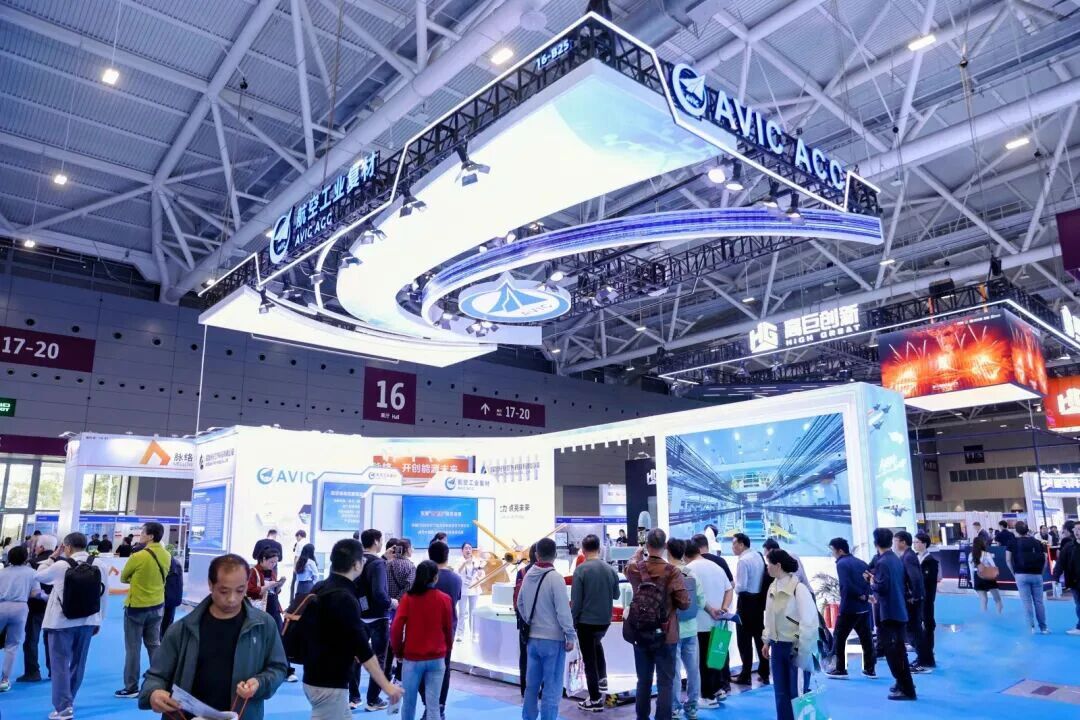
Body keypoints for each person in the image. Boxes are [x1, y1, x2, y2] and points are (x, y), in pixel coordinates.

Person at [139, 553, 287, 719]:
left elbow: (278, 667)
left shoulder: (264, 626)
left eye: (240, 590)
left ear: (247, 585)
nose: (232, 599)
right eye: (224, 591)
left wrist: (260, 683)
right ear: (210, 585)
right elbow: (156, 676)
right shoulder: (181, 630)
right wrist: (154, 693)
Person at [302, 538, 403, 719]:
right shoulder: (345, 598)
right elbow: (362, 649)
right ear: (356, 565)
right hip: (329, 683)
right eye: (362, 560)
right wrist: (387, 686)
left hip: (314, 676)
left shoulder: (320, 587)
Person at [36, 532, 108, 719]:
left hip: (61, 622)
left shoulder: (61, 565)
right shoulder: (99, 564)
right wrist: (99, 620)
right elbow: (103, 594)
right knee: (78, 662)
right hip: (88, 620)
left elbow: (39, 576)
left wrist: (52, 558)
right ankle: (70, 700)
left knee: (59, 664)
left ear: (67, 547)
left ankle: (63, 707)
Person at [625, 529, 690, 720]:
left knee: (643, 681)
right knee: (665, 683)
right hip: (666, 634)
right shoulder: (673, 571)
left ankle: (642, 717)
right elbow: (684, 603)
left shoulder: (635, 568)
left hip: (640, 632)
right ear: (665, 546)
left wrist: (636, 555)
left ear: (647, 545)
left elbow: (627, 568)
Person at [517, 537, 575, 720]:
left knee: (531, 686)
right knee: (552, 687)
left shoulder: (527, 576)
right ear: (555, 555)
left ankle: (528, 717)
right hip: (553, 640)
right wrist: (570, 635)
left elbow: (520, 603)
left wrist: (530, 620)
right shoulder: (555, 578)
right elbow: (563, 611)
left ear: (536, 555)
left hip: (532, 639)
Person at [391, 560, 453, 720]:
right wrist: (447, 649)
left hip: (412, 657)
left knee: (409, 703)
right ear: (435, 578)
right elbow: (448, 629)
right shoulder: (445, 599)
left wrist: (398, 651)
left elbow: (396, 627)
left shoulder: (408, 599)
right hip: (437, 657)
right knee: (433, 705)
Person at [115, 522, 171, 698]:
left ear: (151, 536)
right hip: (158, 605)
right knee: (154, 645)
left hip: (137, 608)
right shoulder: (167, 555)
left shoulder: (138, 556)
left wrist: (136, 579)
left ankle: (131, 687)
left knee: (133, 648)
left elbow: (123, 578)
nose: (140, 535)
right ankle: (162, 681)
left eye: (143, 532)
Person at [761, 549, 818, 720]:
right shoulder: (772, 587)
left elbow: (809, 622)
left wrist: (803, 650)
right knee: (780, 692)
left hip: (796, 648)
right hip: (777, 647)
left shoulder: (799, 589)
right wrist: (767, 640)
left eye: (769, 564)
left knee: (798, 693)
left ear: (778, 565)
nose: (767, 567)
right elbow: (769, 617)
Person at [570, 533, 619, 712]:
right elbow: (616, 595)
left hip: (586, 622)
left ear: (583, 550)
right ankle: (602, 679)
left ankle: (595, 699)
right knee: (596, 645)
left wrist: (572, 622)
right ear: (599, 549)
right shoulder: (610, 570)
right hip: (604, 621)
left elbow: (576, 602)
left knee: (589, 660)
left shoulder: (581, 570)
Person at [869, 528, 915, 701]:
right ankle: (904, 684)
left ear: (876, 543)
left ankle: (906, 687)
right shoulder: (895, 559)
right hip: (898, 610)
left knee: (894, 653)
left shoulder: (882, 562)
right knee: (899, 651)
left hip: (889, 612)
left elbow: (882, 587)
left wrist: (872, 582)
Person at [687, 536, 733, 707]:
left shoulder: (688, 569)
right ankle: (718, 690)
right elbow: (729, 589)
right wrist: (724, 608)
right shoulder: (716, 566)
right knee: (716, 658)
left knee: (703, 662)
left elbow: (692, 597)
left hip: (701, 622)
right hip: (719, 621)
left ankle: (707, 697)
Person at [667, 538, 710, 720]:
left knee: (674, 672)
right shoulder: (691, 574)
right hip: (691, 628)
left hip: (672, 629)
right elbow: (700, 601)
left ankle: (675, 708)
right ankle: (692, 707)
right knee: (693, 670)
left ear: (668, 552)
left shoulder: (667, 573)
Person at [420, 541, 461, 720]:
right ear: (447, 555)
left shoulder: (422, 578)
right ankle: (439, 707)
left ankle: (430, 706)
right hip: (447, 631)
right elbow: (456, 600)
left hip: (424, 630)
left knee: (421, 669)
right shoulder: (456, 579)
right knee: (443, 669)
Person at [352, 529, 392, 711]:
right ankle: (373, 699)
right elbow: (379, 593)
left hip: (360, 614)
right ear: (376, 541)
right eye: (381, 540)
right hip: (378, 617)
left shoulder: (358, 560)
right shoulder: (378, 564)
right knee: (379, 659)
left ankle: (354, 697)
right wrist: (391, 602)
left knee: (356, 656)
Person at [825, 538, 875, 679]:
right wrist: (865, 596)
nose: (832, 553)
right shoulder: (861, 562)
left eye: (832, 550)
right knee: (866, 638)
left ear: (840, 550)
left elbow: (846, 585)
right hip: (863, 607)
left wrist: (860, 595)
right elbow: (868, 581)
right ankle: (870, 669)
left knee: (839, 637)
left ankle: (840, 669)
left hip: (849, 607)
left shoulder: (841, 564)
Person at [730, 533, 768, 685]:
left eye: (734, 543)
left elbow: (741, 587)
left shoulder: (743, 561)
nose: (732, 547)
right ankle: (765, 672)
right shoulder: (758, 555)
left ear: (741, 544)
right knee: (759, 638)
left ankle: (745, 675)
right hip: (758, 602)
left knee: (744, 640)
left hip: (746, 602)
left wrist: (733, 586)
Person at [0, 546, 40, 692]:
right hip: (20, 607)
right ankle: (4, 680)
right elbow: (36, 593)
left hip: (1, 605)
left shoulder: (2, 572)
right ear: (25, 557)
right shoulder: (31, 572)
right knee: (12, 645)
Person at [19, 534, 56, 684]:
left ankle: (32, 672)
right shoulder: (63, 562)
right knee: (52, 641)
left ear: (41, 547)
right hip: (54, 607)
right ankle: (54, 670)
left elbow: (27, 585)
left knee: (31, 640)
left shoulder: (32, 563)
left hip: (35, 607)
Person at [892, 531, 927, 674]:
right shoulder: (907, 556)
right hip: (912, 599)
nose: (894, 544)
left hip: (913, 600)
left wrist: (915, 596)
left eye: (896, 541)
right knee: (913, 629)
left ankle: (921, 661)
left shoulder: (908, 557)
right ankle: (922, 658)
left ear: (903, 542)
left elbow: (915, 578)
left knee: (914, 629)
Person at [1006, 520, 1049, 634]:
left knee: (1026, 602)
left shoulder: (1012, 542)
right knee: (1039, 602)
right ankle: (1043, 627)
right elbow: (1045, 559)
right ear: (1027, 530)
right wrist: (1041, 572)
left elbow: (1008, 560)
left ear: (1016, 531)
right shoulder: (1038, 542)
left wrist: (1014, 573)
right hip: (1037, 574)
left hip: (1021, 574)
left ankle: (1031, 628)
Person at [385, 539, 416, 682]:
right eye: (411, 547)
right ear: (407, 549)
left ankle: (385, 673)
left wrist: (391, 600)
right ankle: (399, 674)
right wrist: (398, 600)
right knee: (401, 639)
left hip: (387, 606)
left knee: (388, 640)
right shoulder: (410, 566)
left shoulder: (387, 564)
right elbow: (409, 586)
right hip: (402, 608)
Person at [912, 533, 940, 668]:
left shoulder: (931, 561)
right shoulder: (915, 558)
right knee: (918, 627)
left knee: (928, 626)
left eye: (917, 542)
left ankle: (928, 655)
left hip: (926, 599)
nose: (914, 544)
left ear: (924, 543)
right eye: (914, 542)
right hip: (917, 599)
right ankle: (922, 654)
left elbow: (929, 582)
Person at [514, 544, 538, 698]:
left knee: (524, 655)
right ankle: (540, 688)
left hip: (524, 621)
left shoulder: (522, 572)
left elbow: (517, 599)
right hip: (542, 621)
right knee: (540, 657)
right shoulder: (548, 573)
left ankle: (525, 688)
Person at [1056, 522, 1080, 635]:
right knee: (1079, 604)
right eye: (1076, 529)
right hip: (1075, 581)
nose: (1077, 532)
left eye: (1079, 529)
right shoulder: (1069, 547)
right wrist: (1056, 577)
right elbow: (1061, 563)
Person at [456, 543, 482, 642]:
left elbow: (481, 573)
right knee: (462, 612)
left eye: (470, 548)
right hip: (463, 589)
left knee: (473, 612)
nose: (468, 550)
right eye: (466, 548)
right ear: (462, 550)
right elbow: (457, 572)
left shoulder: (476, 561)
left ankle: (474, 634)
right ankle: (460, 634)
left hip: (474, 589)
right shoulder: (459, 561)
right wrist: (465, 563)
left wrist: (480, 573)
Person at [971, 536, 1003, 613]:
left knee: (983, 600)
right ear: (982, 544)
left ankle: (984, 616)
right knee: (997, 599)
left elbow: (971, 570)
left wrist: (973, 582)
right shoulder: (986, 554)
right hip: (988, 576)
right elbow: (993, 566)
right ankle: (999, 615)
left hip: (977, 577)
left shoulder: (971, 555)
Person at [160, 550, 184, 638]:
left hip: (165, 598)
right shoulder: (177, 564)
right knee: (168, 622)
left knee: (161, 624)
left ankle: (162, 641)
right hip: (174, 598)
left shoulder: (164, 564)